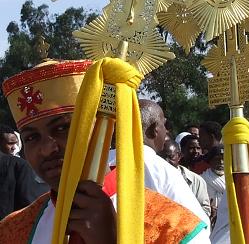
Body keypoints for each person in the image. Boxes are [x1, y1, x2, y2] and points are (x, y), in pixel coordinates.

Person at [0, 59, 209, 243]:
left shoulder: (172, 227)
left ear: (100, 129)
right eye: (31, 137)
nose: (46, 149)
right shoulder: (15, 230)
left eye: (63, 128)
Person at [138, 99, 210, 236]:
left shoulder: (100, 166)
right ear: (154, 130)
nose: (166, 130)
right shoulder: (164, 173)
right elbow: (196, 231)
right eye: (164, 125)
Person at [160, 139, 211, 217]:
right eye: (162, 157)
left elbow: (205, 210)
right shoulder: (154, 178)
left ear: (179, 156)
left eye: (171, 157)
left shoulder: (196, 181)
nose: (166, 161)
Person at [201, 145, 225, 227]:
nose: (221, 163)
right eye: (217, 159)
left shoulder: (234, 181)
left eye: (224, 159)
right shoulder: (201, 180)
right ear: (210, 161)